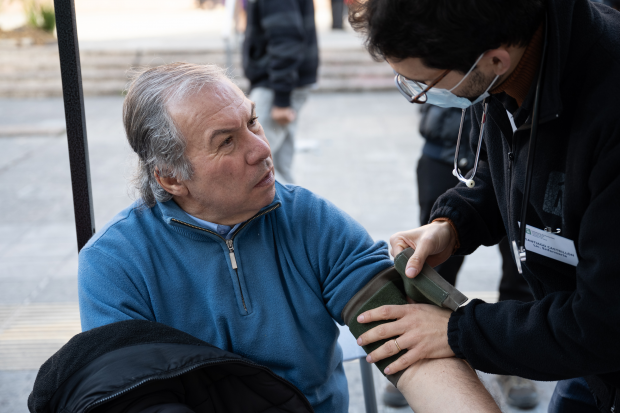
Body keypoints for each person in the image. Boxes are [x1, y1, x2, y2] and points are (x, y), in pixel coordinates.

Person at [78, 63, 501, 413]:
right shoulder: (115, 263)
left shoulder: (308, 220)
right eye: (226, 141)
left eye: (252, 122)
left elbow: (405, 341)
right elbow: (135, 400)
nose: (262, 149)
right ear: (171, 177)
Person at [348, 0, 620, 411]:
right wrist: (454, 225)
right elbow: (508, 173)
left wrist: (458, 331)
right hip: (589, 366)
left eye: (424, 84)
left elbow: (602, 323)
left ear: (494, 59)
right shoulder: (511, 63)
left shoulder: (608, 109)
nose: (422, 99)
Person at [382, 105, 539, 409]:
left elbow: (592, 320)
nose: (421, 91)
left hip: (517, 158)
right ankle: (419, 350)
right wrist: (450, 224)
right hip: (443, 151)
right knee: (430, 263)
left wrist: (459, 332)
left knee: (522, 264)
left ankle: (515, 357)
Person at [242, 0, 318, 184]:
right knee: (278, 166)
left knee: (255, 163)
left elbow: (286, 39)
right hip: (280, 84)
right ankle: (288, 211)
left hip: (275, 86)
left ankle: (280, 210)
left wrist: (281, 100)